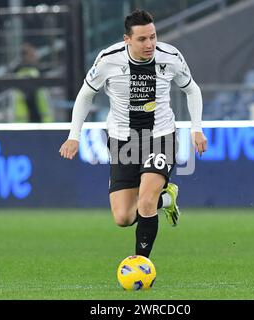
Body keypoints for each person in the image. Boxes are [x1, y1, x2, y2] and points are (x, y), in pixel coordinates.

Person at [59, 9, 207, 259]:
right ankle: (168, 199)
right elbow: (85, 94)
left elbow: (192, 90)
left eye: (153, 37)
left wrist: (196, 129)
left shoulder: (170, 57)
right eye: (142, 39)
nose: (149, 44)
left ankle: (141, 264)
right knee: (123, 217)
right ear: (127, 39)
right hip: (122, 140)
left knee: (147, 202)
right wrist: (74, 135)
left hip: (161, 137)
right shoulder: (108, 59)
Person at [12, 42, 52, 122]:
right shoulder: (31, 73)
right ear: (26, 57)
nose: (36, 57)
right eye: (33, 55)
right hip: (32, 120)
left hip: (27, 121)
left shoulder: (17, 72)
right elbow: (30, 99)